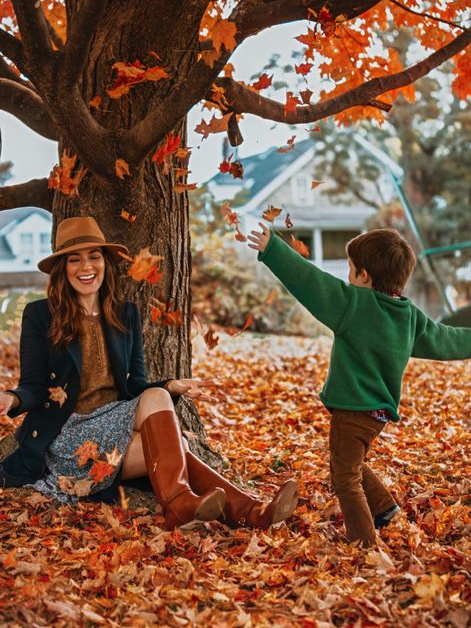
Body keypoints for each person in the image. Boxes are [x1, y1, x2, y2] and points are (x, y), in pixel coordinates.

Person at [0, 216, 298, 530]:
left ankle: (214, 509)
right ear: (63, 268)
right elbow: (33, 385)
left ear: (105, 263)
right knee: (176, 444)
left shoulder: (125, 313)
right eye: (75, 259)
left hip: (115, 424)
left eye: (94, 257)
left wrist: (171, 384)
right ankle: (244, 510)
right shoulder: (40, 315)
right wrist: (13, 399)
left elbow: (137, 385)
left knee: (162, 417)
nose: (86, 267)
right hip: (69, 438)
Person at [248, 223, 471, 547]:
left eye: (352, 271)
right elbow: (446, 339)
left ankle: (364, 543)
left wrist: (274, 250)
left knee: (344, 477)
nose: (348, 278)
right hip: (377, 414)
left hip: (352, 410)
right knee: (348, 463)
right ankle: (385, 511)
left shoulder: (354, 305)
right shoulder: (408, 317)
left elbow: (311, 282)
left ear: (365, 277)